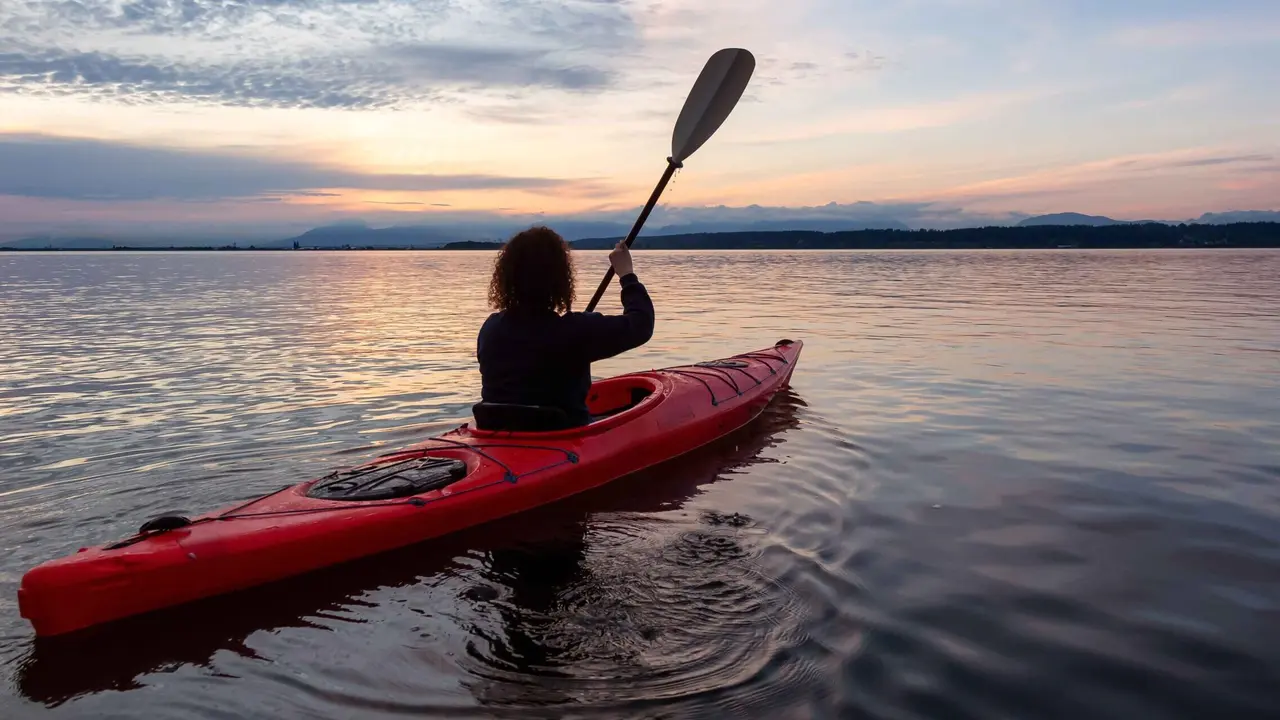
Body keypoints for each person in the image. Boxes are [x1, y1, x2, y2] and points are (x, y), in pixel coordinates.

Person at [476, 225, 654, 428]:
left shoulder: (490, 329)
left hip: (498, 437)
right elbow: (641, 324)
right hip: (563, 438)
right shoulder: (575, 331)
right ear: (560, 279)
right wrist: (626, 274)